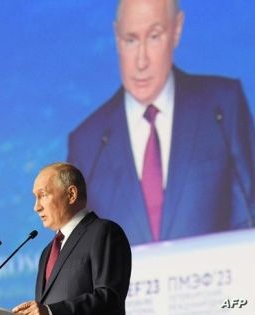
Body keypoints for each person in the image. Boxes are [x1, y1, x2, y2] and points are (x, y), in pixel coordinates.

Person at [68, 0, 255, 245]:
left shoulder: (222, 108)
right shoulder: (86, 144)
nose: (141, 61)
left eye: (154, 36)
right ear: (116, 37)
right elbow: (79, 257)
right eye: (131, 40)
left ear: (176, 30)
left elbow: (249, 217)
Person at [13, 163, 131, 315]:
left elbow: (109, 297)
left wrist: (50, 312)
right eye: (35, 198)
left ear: (71, 195)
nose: (36, 207)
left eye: (43, 195)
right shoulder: (47, 252)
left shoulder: (104, 232)